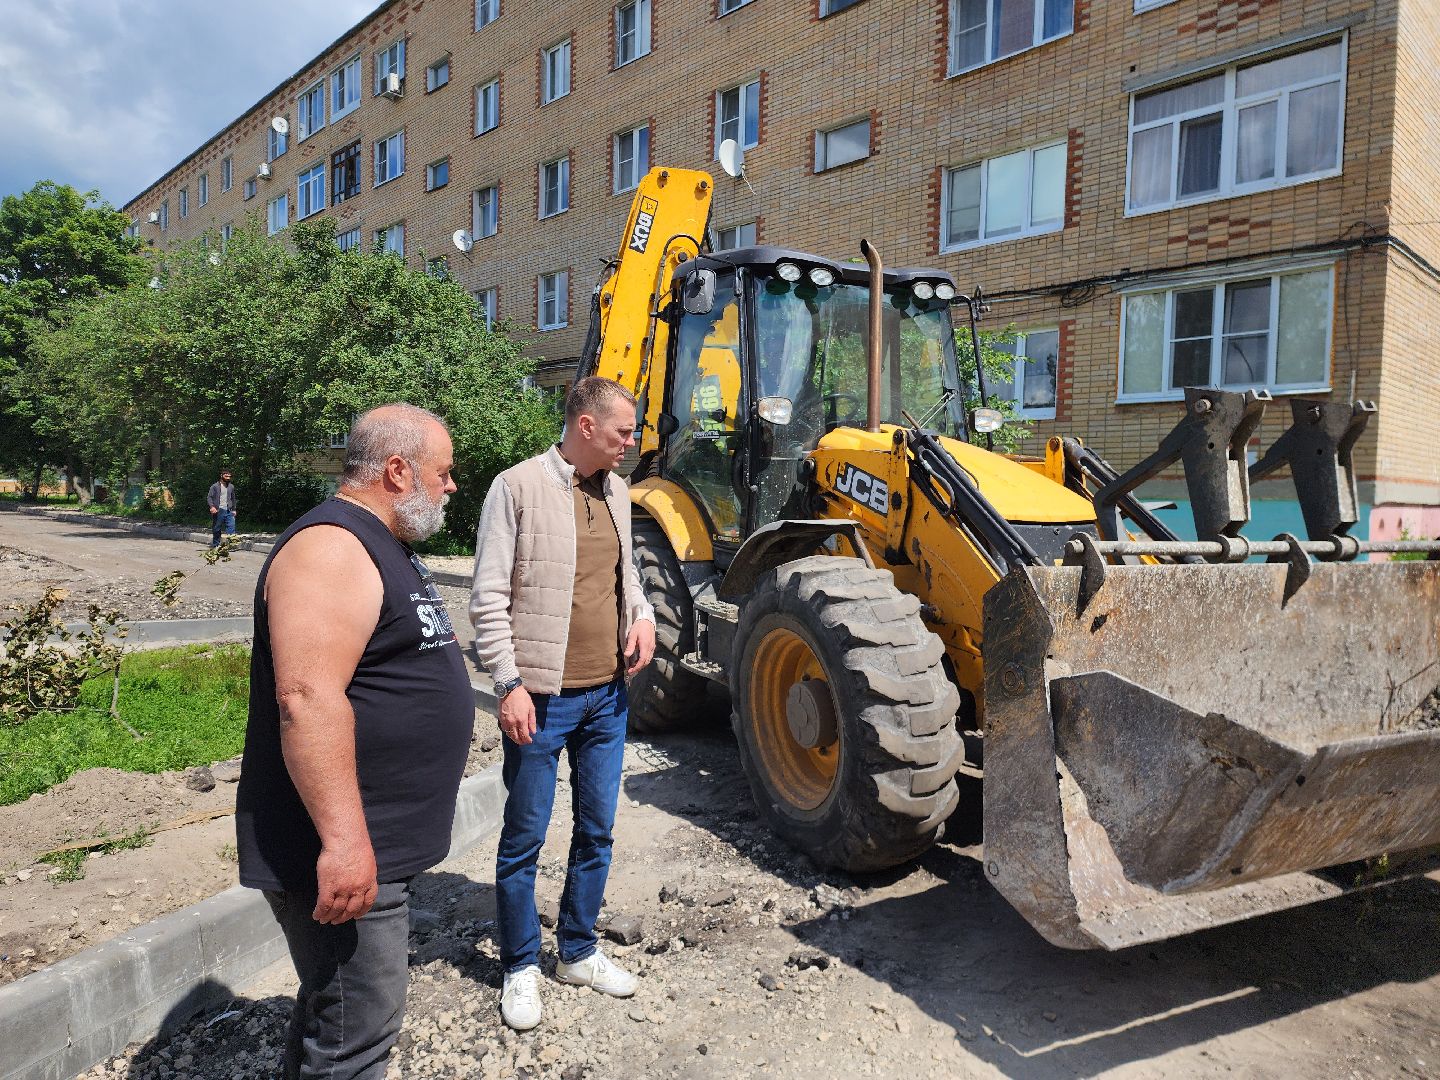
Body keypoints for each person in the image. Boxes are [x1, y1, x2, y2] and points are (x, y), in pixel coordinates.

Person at [235, 404, 474, 1079]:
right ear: (397, 471)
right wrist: (343, 843)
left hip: (373, 845)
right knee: (358, 1032)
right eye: (443, 471)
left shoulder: (379, 543)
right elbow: (306, 700)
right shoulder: (333, 546)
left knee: (334, 1015)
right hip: (335, 848)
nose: (452, 485)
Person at [470, 376, 657, 1032]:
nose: (630, 444)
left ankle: (577, 951)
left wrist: (644, 615)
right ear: (585, 427)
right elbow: (487, 596)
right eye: (621, 433)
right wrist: (508, 683)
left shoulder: (618, 491)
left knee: (597, 828)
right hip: (542, 701)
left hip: (607, 697)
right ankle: (522, 965)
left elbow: (624, 575)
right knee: (524, 837)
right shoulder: (516, 487)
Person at [207, 469, 237, 548]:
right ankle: (216, 545)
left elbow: (233, 499)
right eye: (226, 476)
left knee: (231, 527)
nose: (228, 478)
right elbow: (209, 497)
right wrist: (212, 507)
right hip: (219, 510)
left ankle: (230, 545)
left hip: (229, 510)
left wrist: (234, 509)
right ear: (221, 476)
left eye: (229, 476)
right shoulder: (215, 486)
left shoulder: (231, 486)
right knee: (217, 529)